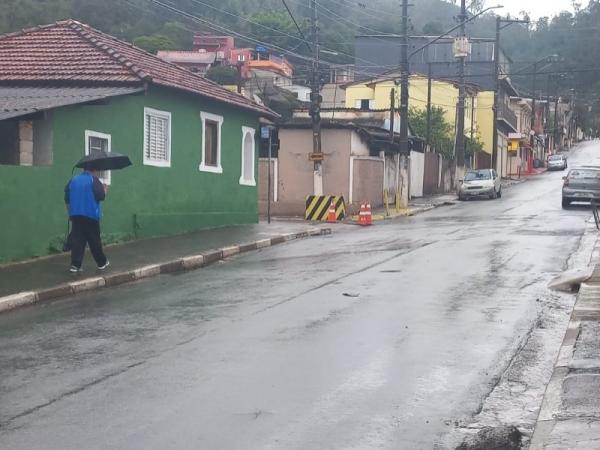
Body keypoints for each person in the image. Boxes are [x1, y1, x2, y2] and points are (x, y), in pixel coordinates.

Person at [64, 168, 109, 273]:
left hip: (76, 215)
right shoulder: (94, 180)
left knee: (78, 240)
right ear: (93, 170)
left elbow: (67, 198)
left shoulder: (73, 180)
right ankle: (102, 263)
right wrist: (105, 190)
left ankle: (75, 265)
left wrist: (70, 212)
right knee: (94, 240)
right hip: (90, 215)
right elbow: (101, 196)